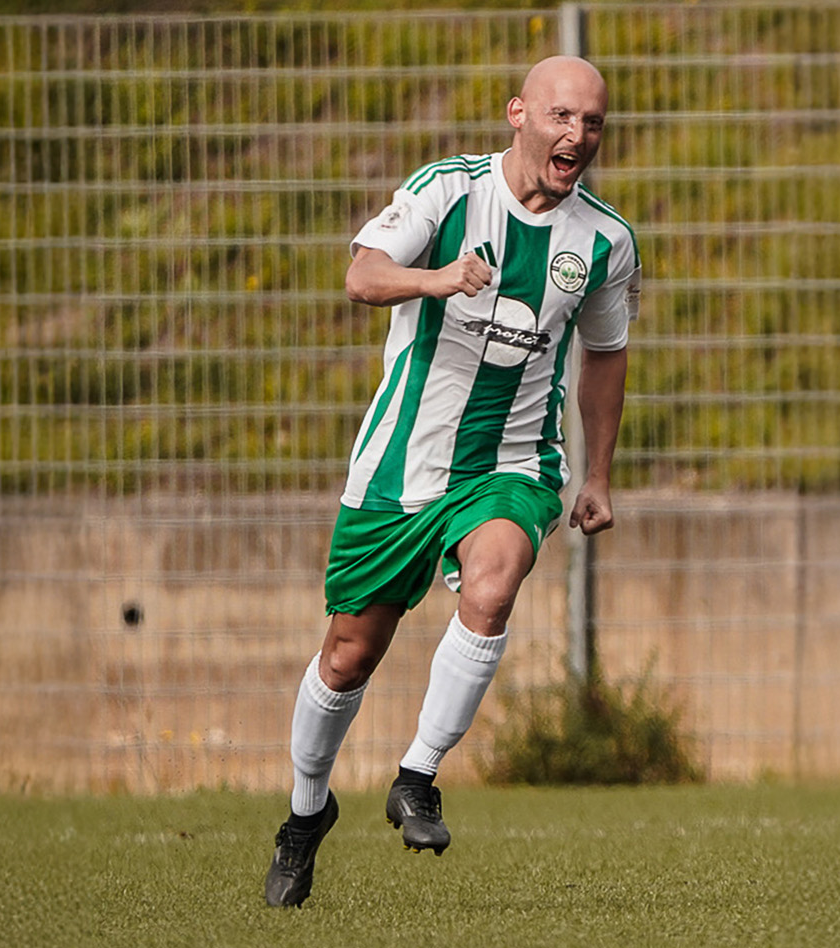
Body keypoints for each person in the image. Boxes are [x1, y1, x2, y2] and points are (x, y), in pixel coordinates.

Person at [264, 54, 640, 909]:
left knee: (495, 578)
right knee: (347, 655)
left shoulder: (604, 241)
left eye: (593, 122)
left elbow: (606, 353)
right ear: (518, 113)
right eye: (562, 116)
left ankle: (417, 778)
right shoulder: (448, 190)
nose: (578, 135)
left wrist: (598, 473)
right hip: (402, 462)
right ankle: (305, 813)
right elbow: (362, 275)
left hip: (514, 463)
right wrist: (436, 278)